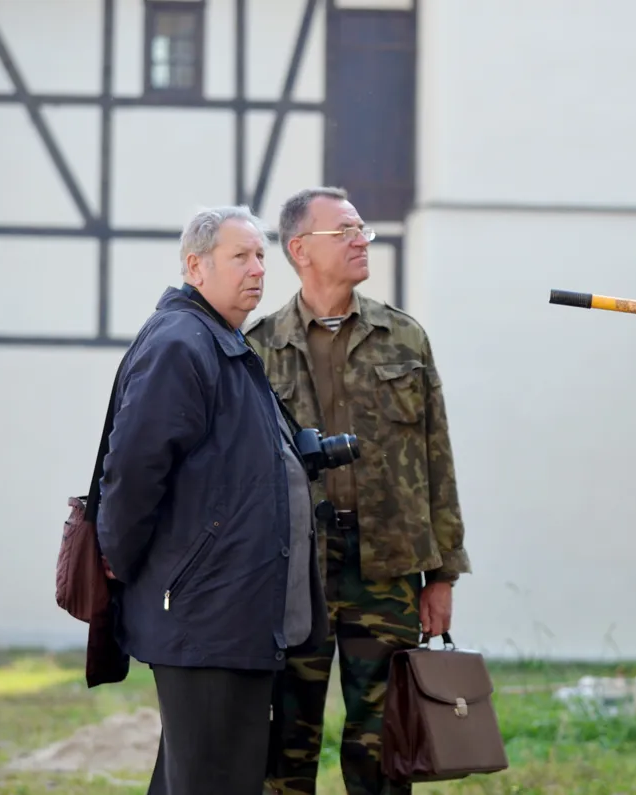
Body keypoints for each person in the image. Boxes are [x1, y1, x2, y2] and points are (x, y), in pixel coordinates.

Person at [245, 186, 472, 795]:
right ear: (300, 249)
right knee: (286, 740)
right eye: (342, 230)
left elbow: (436, 459)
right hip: (294, 572)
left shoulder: (404, 338)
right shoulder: (258, 349)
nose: (359, 239)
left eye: (361, 228)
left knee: (384, 743)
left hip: (388, 565)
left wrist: (443, 573)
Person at [96, 205, 326, 795]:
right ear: (196, 266)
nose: (257, 270)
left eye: (260, 256)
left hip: (230, 611)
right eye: (240, 256)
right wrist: (120, 563)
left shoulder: (221, 341)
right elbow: (132, 472)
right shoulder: (182, 343)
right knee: (210, 778)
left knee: (200, 776)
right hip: (203, 611)